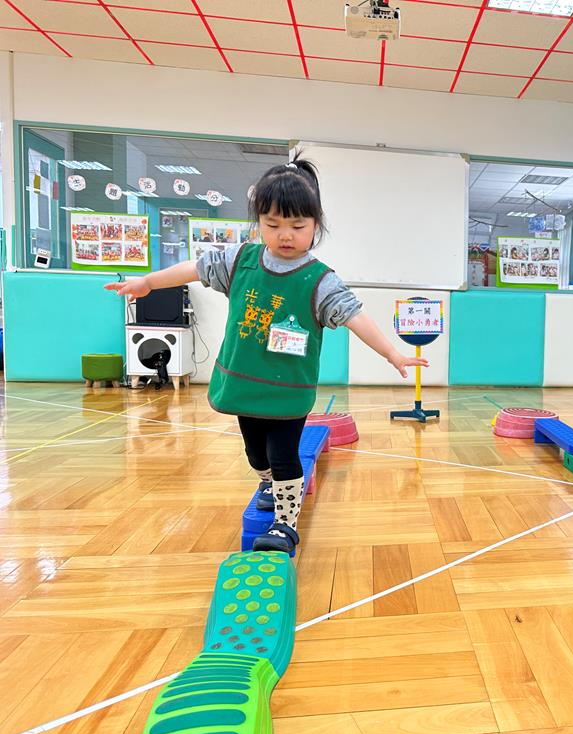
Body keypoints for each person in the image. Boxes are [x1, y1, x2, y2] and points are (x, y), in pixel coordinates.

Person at [105, 153, 426, 552]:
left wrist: (393, 354)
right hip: (245, 384)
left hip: (287, 390)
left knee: (283, 453)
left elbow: (355, 317)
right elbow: (195, 268)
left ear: (316, 225)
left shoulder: (320, 280)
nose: (285, 235)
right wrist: (149, 283)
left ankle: (285, 524)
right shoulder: (241, 260)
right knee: (256, 454)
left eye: (298, 226)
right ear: (259, 222)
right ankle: (268, 483)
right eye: (273, 225)